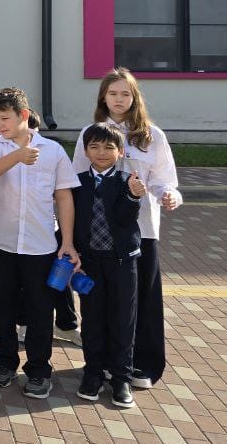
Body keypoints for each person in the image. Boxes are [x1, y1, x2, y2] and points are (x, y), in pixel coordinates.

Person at [72, 68, 181, 389]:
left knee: (141, 299)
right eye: (113, 93)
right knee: (101, 300)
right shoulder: (90, 133)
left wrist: (168, 194)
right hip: (99, 234)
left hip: (140, 231)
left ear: (135, 98)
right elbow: (77, 181)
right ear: (103, 97)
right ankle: (105, 363)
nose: (119, 100)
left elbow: (164, 179)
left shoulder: (152, 136)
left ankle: (142, 364)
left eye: (125, 94)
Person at [0, 87, 80, 399]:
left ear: (23, 115)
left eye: (5, 118)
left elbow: (64, 196)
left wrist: (67, 241)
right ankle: (5, 361)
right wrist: (16, 156)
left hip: (40, 244)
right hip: (0, 241)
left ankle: (38, 369)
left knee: (40, 309)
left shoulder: (52, 150)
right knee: (3, 305)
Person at [72, 123, 145, 409]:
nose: (101, 152)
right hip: (90, 262)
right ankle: (93, 373)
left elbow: (125, 220)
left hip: (122, 262)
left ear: (121, 151)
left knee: (123, 319)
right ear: (85, 150)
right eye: (94, 146)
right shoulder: (77, 182)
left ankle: (121, 378)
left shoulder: (128, 181)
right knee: (92, 318)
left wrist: (133, 196)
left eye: (109, 147)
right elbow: (71, 221)